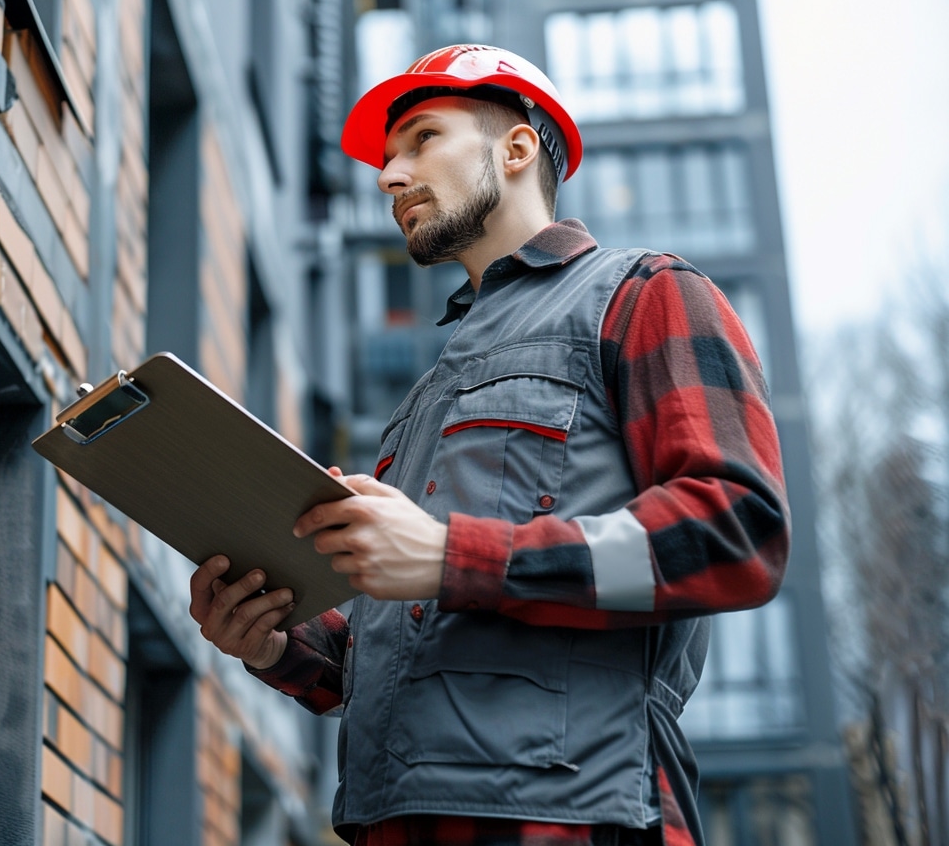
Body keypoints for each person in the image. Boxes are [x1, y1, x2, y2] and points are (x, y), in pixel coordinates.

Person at [188, 44, 789, 846]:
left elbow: (736, 534)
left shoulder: (646, 295)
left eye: (423, 138)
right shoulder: (427, 396)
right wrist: (272, 640)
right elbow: (401, 643)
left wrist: (448, 557)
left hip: (574, 819)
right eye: (389, 156)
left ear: (516, 149)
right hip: (393, 822)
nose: (389, 175)